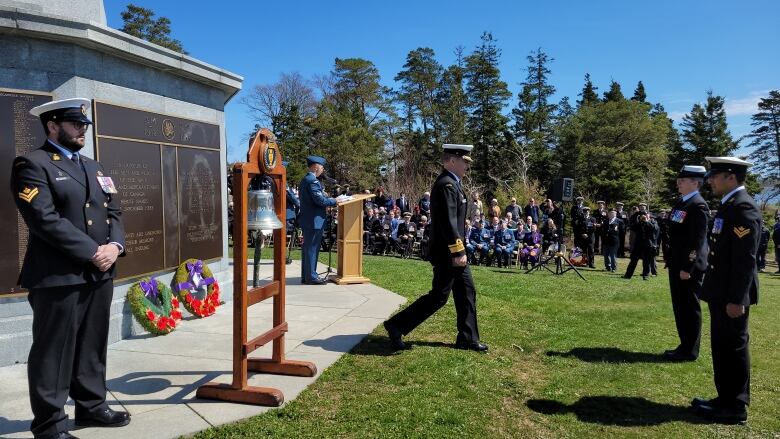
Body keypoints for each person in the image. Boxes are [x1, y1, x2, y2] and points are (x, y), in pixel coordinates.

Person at [12, 98, 129, 438]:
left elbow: (114, 212)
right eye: (75, 123)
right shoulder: (31, 164)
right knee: (54, 351)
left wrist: (114, 246)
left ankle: (91, 407)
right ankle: (49, 424)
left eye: (84, 124)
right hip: (58, 275)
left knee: (92, 345)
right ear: (52, 126)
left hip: (99, 272)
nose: (82, 129)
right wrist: (93, 251)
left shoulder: (94, 167)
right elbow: (43, 220)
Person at [384, 144, 487, 352]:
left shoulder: (454, 184)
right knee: (439, 296)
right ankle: (396, 325)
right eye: (464, 162)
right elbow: (449, 222)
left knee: (466, 290)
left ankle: (467, 337)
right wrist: (458, 251)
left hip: (454, 251)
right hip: (447, 253)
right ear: (451, 161)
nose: (467, 166)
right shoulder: (446, 185)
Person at [691, 157, 761, 425]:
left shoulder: (743, 208)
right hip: (720, 290)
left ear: (730, 177)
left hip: (732, 294)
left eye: (715, 175)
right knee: (721, 346)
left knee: (733, 347)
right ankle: (724, 398)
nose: (709, 180)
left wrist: (737, 299)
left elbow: (746, 259)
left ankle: (736, 406)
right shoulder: (729, 205)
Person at [663, 165, 710, 362]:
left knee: (689, 308)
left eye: (683, 180)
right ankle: (684, 346)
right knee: (680, 307)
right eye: (679, 180)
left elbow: (697, 241)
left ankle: (690, 350)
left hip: (687, 267)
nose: (678, 183)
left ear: (695, 183)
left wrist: (687, 267)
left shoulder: (698, 205)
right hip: (676, 263)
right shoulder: (682, 203)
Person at [298, 155, 337, 285]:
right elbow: (320, 200)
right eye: (321, 167)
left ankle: (307, 275)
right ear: (315, 167)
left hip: (309, 219)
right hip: (314, 220)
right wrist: (334, 201)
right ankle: (311, 277)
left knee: (308, 248)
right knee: (312, 248)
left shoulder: (306, 180)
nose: (322, 170)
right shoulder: (312, 181)